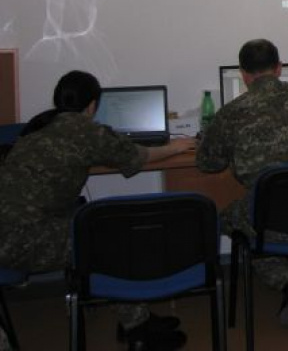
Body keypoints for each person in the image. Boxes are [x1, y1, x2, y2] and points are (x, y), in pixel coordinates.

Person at [0, 70, 196, 350]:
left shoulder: (39, 128)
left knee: (101, 230)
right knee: (110, 237)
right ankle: (138, 330)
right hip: (19, 241)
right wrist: (176, 146)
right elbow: (139, 155)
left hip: (10, 231)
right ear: (92, 105)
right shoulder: (85, 131)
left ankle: (135, 318)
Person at [196, 38, 288, 329]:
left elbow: (208, 163)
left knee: (228, 220)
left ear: (243, 74)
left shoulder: (231, 113)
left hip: (268, 217)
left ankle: (286, 281)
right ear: (279, 68)